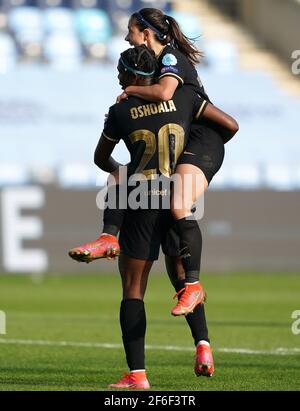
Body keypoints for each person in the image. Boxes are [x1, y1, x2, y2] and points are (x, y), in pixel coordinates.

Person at [70, 45, 238, 388]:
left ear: (134, 75)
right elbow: (229, 126)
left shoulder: (120, 110)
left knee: (133, 289)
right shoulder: (187, 98)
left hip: (141, 200)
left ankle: (137, 375)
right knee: (184, 282)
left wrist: (125, 171)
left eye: (121, 71)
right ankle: (203, 346)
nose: (118, 77)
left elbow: (102, 159)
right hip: (176, 194)